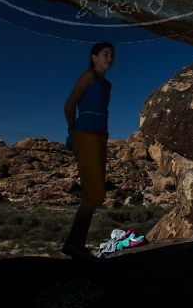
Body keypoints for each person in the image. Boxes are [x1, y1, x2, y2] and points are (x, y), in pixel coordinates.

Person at [61, 41, 114, 260]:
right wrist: (73, 131)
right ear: (94, 57)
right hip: (85, 136)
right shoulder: (88, 76)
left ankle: (75, 244)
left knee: (96, 193)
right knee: (95, 193)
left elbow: (103, 111)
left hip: (100, 137)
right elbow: (69, 105)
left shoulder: (107, 84)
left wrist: (105, 134)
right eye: (105, 54)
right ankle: (74, 244)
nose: (109, 58)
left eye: (112, 55)